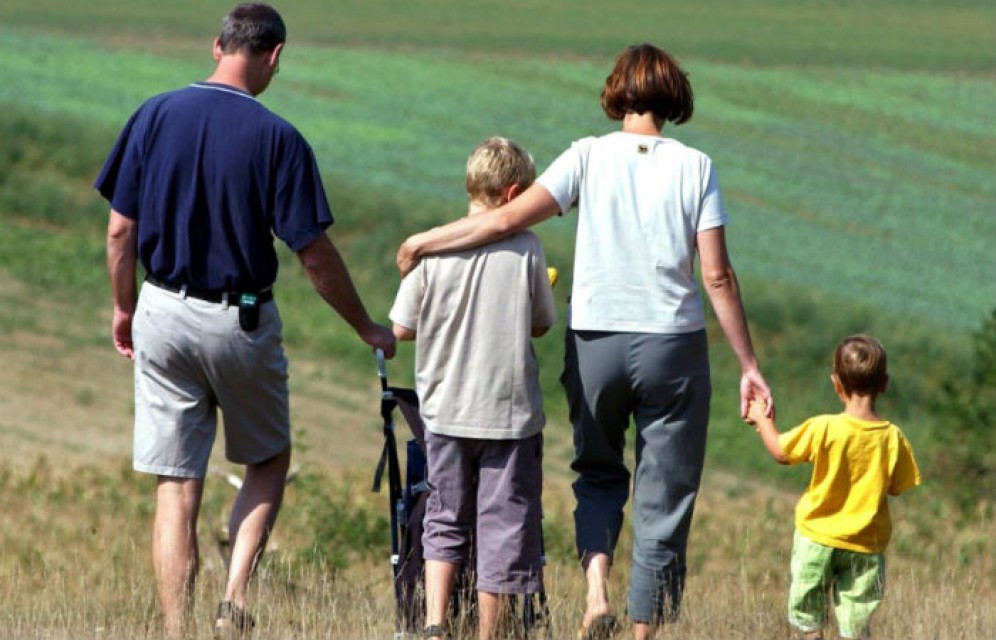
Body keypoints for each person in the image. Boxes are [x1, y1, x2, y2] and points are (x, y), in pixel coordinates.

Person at [396, 43, 772, 640]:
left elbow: (502, 221)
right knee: (664, 492)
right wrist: (748, 363)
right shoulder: (696, 166)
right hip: (672, 342)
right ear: (674, 98)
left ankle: (597, 590)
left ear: (617, 93)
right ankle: (644, 627)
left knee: (597, 472)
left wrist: (424, 240)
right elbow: (717, 275)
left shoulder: (587, 156)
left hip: (595, 340)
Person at [95, 4, 396, 638]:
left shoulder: (153, 114)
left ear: (216, 45)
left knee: (177, 484)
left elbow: (121, 231)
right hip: (239, 320)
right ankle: (232, 601)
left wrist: (124, 307)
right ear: (274, 55)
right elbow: (313, 255)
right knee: (268, 458)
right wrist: (365, 326)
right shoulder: (279, 138)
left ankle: (177, 628)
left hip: (160, 308)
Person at [390, 137, 556, 640]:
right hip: (508, 415)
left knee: (443, 516)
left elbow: (400, 327)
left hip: (444, 409)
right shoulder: (527, 248)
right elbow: (542, 324)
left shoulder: (433, 251)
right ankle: (490, 633)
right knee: (502, 526)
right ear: (511, 195)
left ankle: (436, 622)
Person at [746, 334, 920, 640]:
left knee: (808, 614)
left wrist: (762, 418)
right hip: (866, 545)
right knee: (856, 620)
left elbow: (780, 452)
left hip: (817, 537)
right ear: (885, 384)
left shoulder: (824, 427)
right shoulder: (893, 437)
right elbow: (896, 487)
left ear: (836, 384)